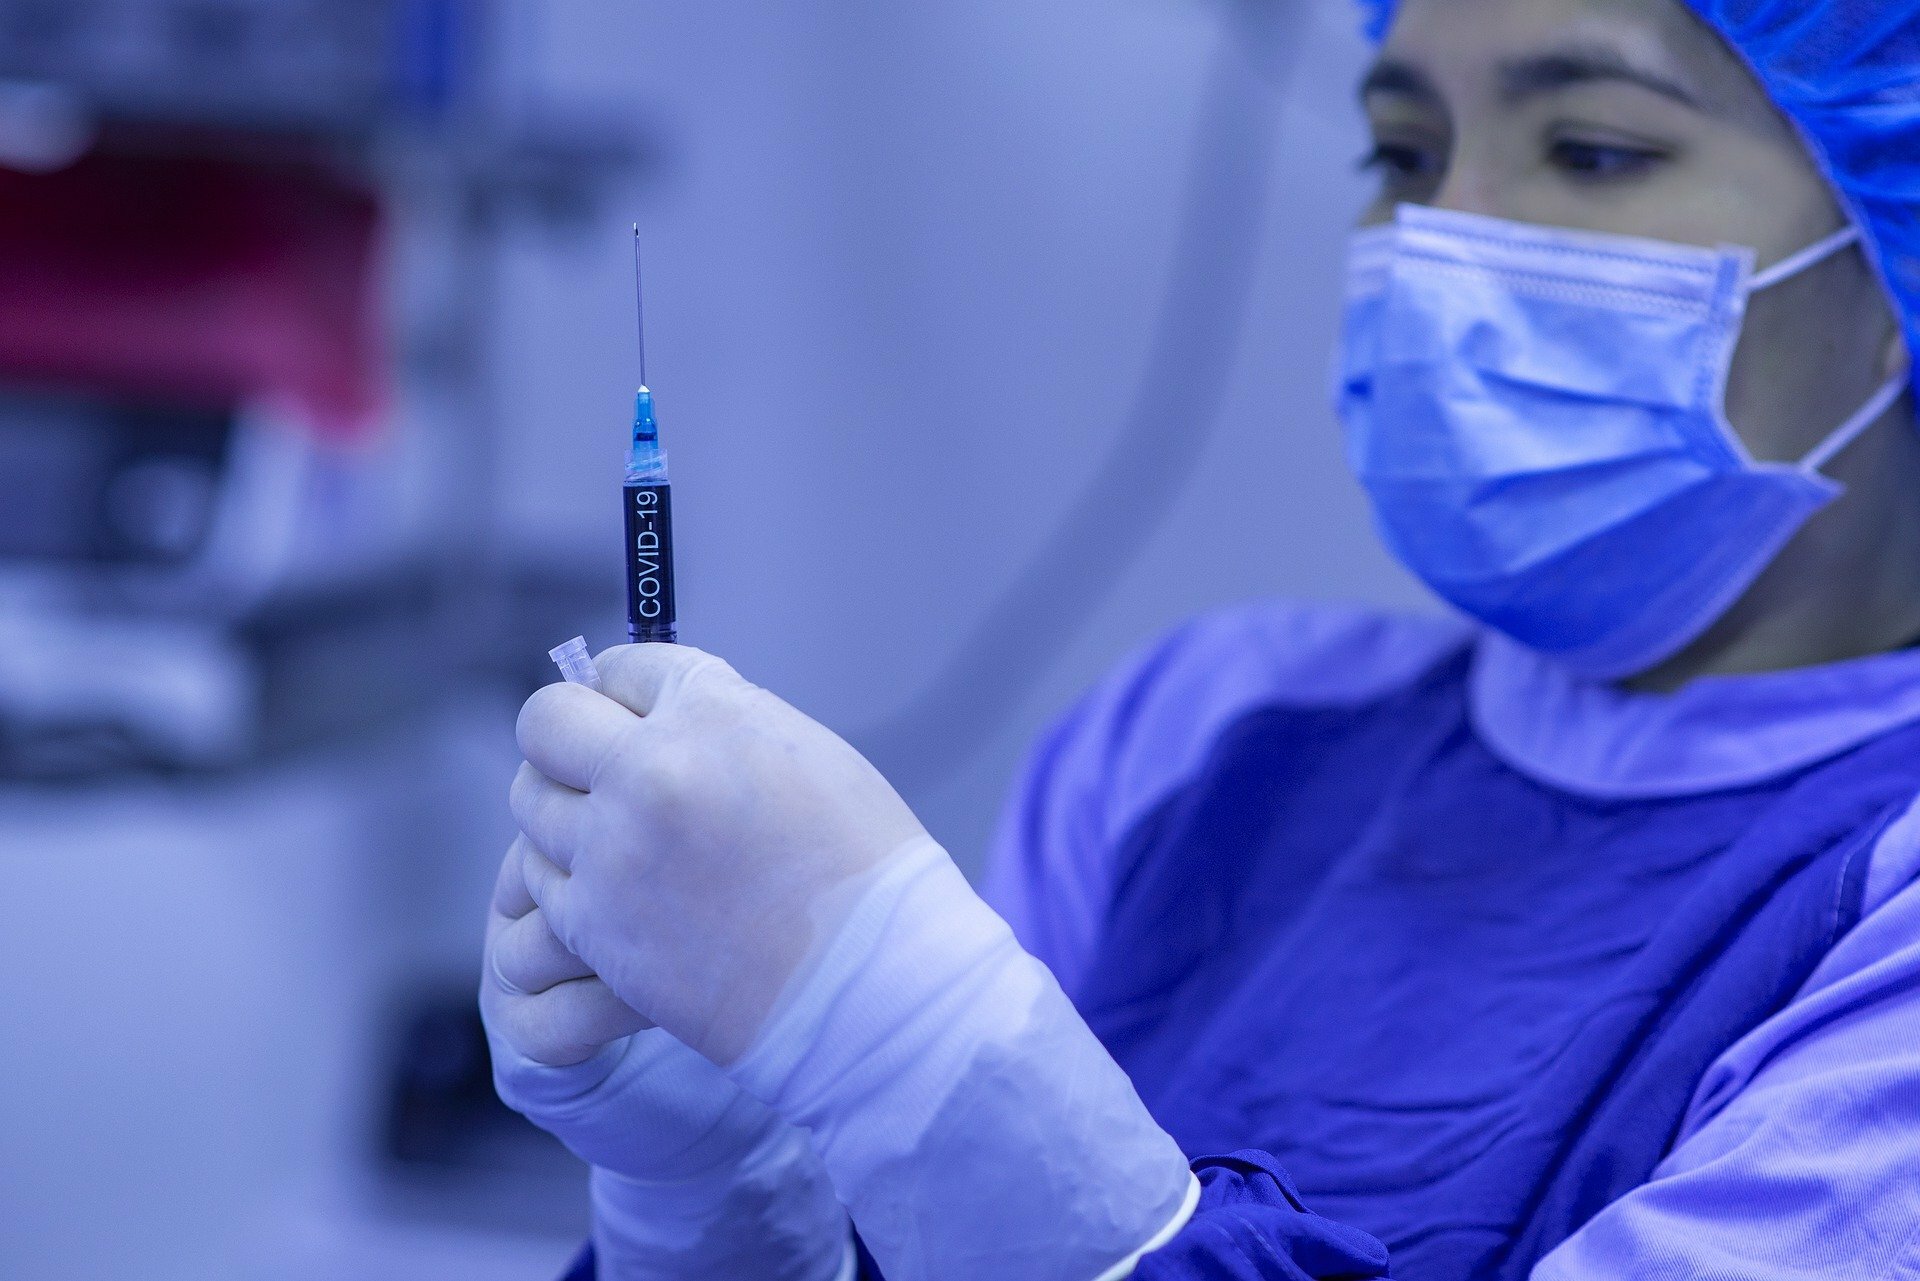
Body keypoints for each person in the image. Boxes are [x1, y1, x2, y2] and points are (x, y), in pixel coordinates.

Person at [479, 0, 1920, 1276]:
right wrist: (727, 1210)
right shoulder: (1207, 728)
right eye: (1402, 159)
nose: (1443, 239)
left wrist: (908, 1033)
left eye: (1595, 150)